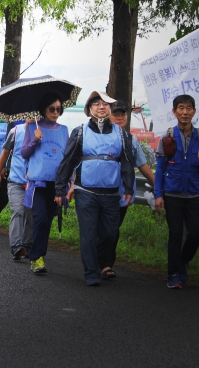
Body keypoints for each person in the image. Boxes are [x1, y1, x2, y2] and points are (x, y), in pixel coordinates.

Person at [55, 91, 136, 286]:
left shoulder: (122, 134)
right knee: (88, 234)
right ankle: (91, 272)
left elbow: (126, 161)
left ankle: (101, 262)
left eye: (106, 104)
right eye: (96, 104)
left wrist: (128, 188)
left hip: (111, 193)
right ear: (89, 110)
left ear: (110, 109)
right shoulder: (80, 131)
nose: (101, 107)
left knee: (110, 233)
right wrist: (60, 189)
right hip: (86, 192)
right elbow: (68, 161)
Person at [155, 94, 199, 289]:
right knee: (176, 233)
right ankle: (173, 275)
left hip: (194, 193)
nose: (185, 112)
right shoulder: (167, 137)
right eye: (181, 108)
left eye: (189, 108)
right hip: (172, 193)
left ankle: (182, 262)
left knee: (197, 232)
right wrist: (158, 195)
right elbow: (160, 168)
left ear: (194, 112)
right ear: (174, 112)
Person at [99, 100, 157, 279]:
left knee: (113, 229)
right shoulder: (100, 137)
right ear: (108, 115)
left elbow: (142, 164)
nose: (119, 117)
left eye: (123, 114)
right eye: (116, 114)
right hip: (101, 190)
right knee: (100, 228)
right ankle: (98, 261)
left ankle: (106, 263)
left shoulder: (130, 140)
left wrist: (158, 185)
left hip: (123, 192)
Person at [17, 92, 68, 273]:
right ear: (44, 109)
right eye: (52, 109)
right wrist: (34, 140)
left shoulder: (64, 130)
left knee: (47, 221)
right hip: (38, 182)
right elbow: (24, 153)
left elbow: (67, 158)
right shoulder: (32, 128)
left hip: (57, 184)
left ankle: (40, 255)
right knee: (39, 219)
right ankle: (36, 258)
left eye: (58, 109)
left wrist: (69, 182)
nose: (55, 112)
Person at [0, 120, 34, 261]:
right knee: (18, 210)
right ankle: (16, 246)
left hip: (35, 182)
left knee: (30, 213)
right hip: (16, 179)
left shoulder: (45, 132)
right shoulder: (16, 131)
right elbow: (5, 153)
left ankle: (28, 245)